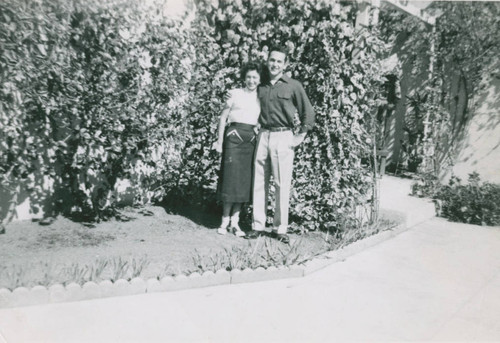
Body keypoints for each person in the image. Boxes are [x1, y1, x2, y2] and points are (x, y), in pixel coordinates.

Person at [246, 46, 315, 244]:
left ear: (285, 65)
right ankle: (258, 225)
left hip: (283, 136)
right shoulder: (261, 85)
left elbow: (308, 113)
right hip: (263, 136)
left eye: (279, 61)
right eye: (272, 60)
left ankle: (279, 228)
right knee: (259, 182)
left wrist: (299, 137)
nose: (274, 64)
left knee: (281, 183)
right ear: (267, 62)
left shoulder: (293, 85)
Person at [213, 62, 261, 237]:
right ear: (244, 78)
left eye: (255, 77)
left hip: (250, 140)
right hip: (233, 137)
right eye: (248, 77)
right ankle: (224, 220)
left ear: (259, 79)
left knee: (243, 181)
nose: (251, 80)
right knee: (230, 179)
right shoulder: (234, 93)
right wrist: (219, 142)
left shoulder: (261, 97)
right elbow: (223, 117)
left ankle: (235, 222)